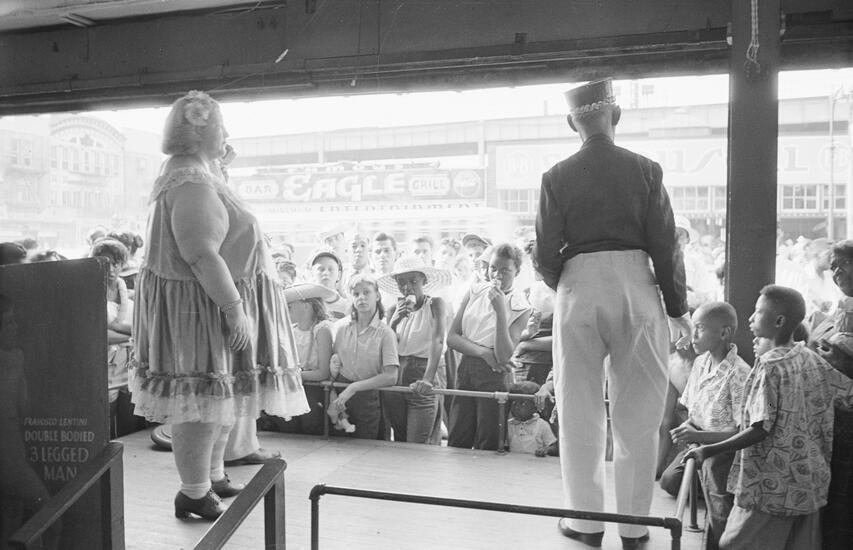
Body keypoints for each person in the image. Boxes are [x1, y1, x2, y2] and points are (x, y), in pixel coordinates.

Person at [130, 90, 308, 521]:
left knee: (217, 399)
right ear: (199, 131)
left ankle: (211, 478)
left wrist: (219, 162)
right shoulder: (189, 181)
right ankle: (194, 491)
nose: (227, 136)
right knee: (201, 403)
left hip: (205, 306)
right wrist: (233, 307)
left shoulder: (195, 174)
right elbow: (201, 253)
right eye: (221, 128)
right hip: (202, 309)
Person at [535, 78, 691, 549]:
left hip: (577, 287)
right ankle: (634, 529)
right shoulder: (646, 170)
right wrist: (677, 307)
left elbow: (544, 253)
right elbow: (666, 244)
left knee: (578, 410)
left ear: (572, 124)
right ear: (616, 115)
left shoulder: (555, 176)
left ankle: (585, 525)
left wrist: (570, 282)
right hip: (636, 285)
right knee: (639, 415)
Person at [685, 285, 853, 549]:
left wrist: (708, 449)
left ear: (778, 321)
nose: (751, 318)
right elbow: (848, 395)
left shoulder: (769, 367)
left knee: (734, 543)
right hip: (810, 481)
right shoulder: (810, 357)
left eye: (758, 312)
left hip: (771, 486)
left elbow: (760, 428)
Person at [658, 302, 750, 549]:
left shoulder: (740, 373)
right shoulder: (700, 363)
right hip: (698, 440)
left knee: (720, 510)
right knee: (670, 481)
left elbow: (743, 432)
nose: (693, 335)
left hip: (723, 451)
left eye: (699, 328)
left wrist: (701, 438)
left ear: (724, 333)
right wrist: (687, 429)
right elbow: (691, 408)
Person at [447, 243, 532, 450]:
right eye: (493, 268)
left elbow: (503, 356)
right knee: (458, 434)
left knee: (489, 437)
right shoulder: (474, 291)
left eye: (505, 270)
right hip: (467, 366)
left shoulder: (521, 306)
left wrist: (500, 311)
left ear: (516, 272)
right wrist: (484, 353)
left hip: (494, 374)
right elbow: (452, 337)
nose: (497, 275)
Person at [0, 295, 60, 549]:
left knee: (10, 521)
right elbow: (21, 407)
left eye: (14, 320)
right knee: (50, 517)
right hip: (9, 458)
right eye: (8, 322)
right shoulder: (12, 360)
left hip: (14, 452)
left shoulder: (14, 357)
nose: (15, 327)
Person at [807, 240, 853, 549]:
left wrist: (843, 362)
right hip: (832, 422)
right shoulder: (839, 309)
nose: (836, 271)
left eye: (844, 264)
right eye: (833, 265)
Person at [379, 255, 452, 444]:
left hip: (424, 370)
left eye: (413, 281)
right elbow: (387, 346)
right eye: (402, 282)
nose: (407, 287)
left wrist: (428, 378)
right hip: (398, 373)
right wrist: (394, 322)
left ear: (423, 281)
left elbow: (438, 340)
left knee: (418, 441)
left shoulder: (435, 304)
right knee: (400, 438)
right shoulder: (393, 310)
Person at [329, 274, 399, 439]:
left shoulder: (386, 333)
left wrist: (354, 388)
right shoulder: (342, 329)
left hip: (368, 398)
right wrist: (333, 397)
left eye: (366, 292)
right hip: (341, 396)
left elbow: (391, 376)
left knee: (366, 447)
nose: (361, 297)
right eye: (356, 294)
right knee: (336, 447)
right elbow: (334, 367)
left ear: (377, 296)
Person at [265, 283, 337, 435]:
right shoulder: (291, 330)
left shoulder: (322, 330)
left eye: (290, 306)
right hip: (294, 388)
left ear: (306, 306)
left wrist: (292, 375)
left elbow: (323, 372)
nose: (286, 310)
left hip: (315, 390)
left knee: (310, 426)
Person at [506, 380, 557, 456]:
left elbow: (553, 447)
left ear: (535, 407)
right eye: (514, 403)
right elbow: (505, 446)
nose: (516, 407)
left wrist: (545, 450)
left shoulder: (542, 425)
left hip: (535, 462)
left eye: (522, 403)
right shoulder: (509, 424)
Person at [309, 250, 350, 320]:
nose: (326, 273)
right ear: (312, 274)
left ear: (339, 275)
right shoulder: (306, 306)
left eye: (331, 269)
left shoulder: (347, 306)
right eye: (321, 269)